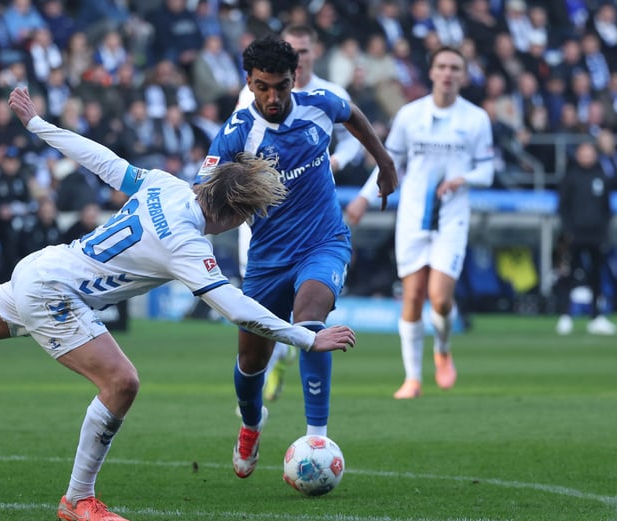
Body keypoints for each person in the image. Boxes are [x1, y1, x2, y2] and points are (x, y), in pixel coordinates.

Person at [0, 86, 358, 521]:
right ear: (234, 213)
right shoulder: (188, 244)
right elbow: (236, 308)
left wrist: (39, 125)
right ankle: (79, 498)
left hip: (45, 265)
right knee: (122, 383)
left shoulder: (166, 184)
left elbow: (104, 161)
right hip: (56, 294)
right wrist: (308, 336)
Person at [198, 35, 397, 480]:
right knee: (251, 361)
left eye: (282, 86)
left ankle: (316, 439)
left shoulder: (320, 104)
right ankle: (252, 424)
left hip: (324, 241)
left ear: (295, 79)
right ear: (248, 82)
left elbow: (356, 118)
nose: (273, 97)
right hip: (267, 259)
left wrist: (384, 163)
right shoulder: (235, 133)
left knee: (310, 319)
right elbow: (202, 195)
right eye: (263, 87)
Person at [345, 46, 495, 399]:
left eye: (455, 67)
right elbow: (388, 161)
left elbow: (488, 169)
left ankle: (442, 348)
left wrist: (463, 179)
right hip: (413, 217)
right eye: (442, 66)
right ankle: (412, 379)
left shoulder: (475, 119)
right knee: (412, 297)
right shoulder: (411, 116)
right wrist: (365, 196)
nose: (447, 73)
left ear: (463, 74)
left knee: (440, 299)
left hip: (451, 219)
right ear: (431, 72)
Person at [234, 25, 365, 404]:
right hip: (264, 230)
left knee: (308, 312)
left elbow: (354, 131)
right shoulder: (246, 108)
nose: (302, 57)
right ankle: (259, 396)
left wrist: (338, 159)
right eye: (296, 50)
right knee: (253, 344)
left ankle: (316, 432)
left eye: (306, 51)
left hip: (315, 224)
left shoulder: (327, 95)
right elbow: (228, 164)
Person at [554, 141, 617, 336]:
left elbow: (607, 208)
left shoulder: (601, 176)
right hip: (575, 235)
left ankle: (596, 317)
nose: (587, 157)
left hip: (596, 235)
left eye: (590, 153)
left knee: (596, 276)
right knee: (569, 274)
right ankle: (565, 315)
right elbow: (563, 208)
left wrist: (605, 230)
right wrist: (568, 231)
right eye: (584, 153)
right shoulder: (570, 177)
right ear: (578, 155)